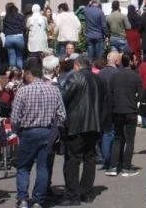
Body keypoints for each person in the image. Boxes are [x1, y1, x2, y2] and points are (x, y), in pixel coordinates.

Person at [11, 57, 66, 208]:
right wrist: (55, 128)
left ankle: (23, 199)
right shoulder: (54, 90)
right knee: (43, 167)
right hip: (47, 132)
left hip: (28, 132)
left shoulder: (22, 91)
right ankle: (38, 200)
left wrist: (17, 130)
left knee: (23, 167)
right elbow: (62, 115)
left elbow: (14, 118)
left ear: (29, 74)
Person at [59, 55, 107, 206]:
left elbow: (63, 97)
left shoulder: (76, 77)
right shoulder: (99, 79)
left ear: (77, 65)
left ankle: (73, 195)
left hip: (77, 125)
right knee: (89, 158)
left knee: (72, 161)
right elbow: (105, 101)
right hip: (94, 124)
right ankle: (86, 193)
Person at [107, 53, 143, 177]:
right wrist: (134, 100)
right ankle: (126, 167)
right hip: (131, 110)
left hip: (117, 110)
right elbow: (141, 95)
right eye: (135, 60)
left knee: (118, 137)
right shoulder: (136, 76)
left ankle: (113, 166)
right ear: (131, 62)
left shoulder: (115, 76)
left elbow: (109, 94)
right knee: (130, 140)